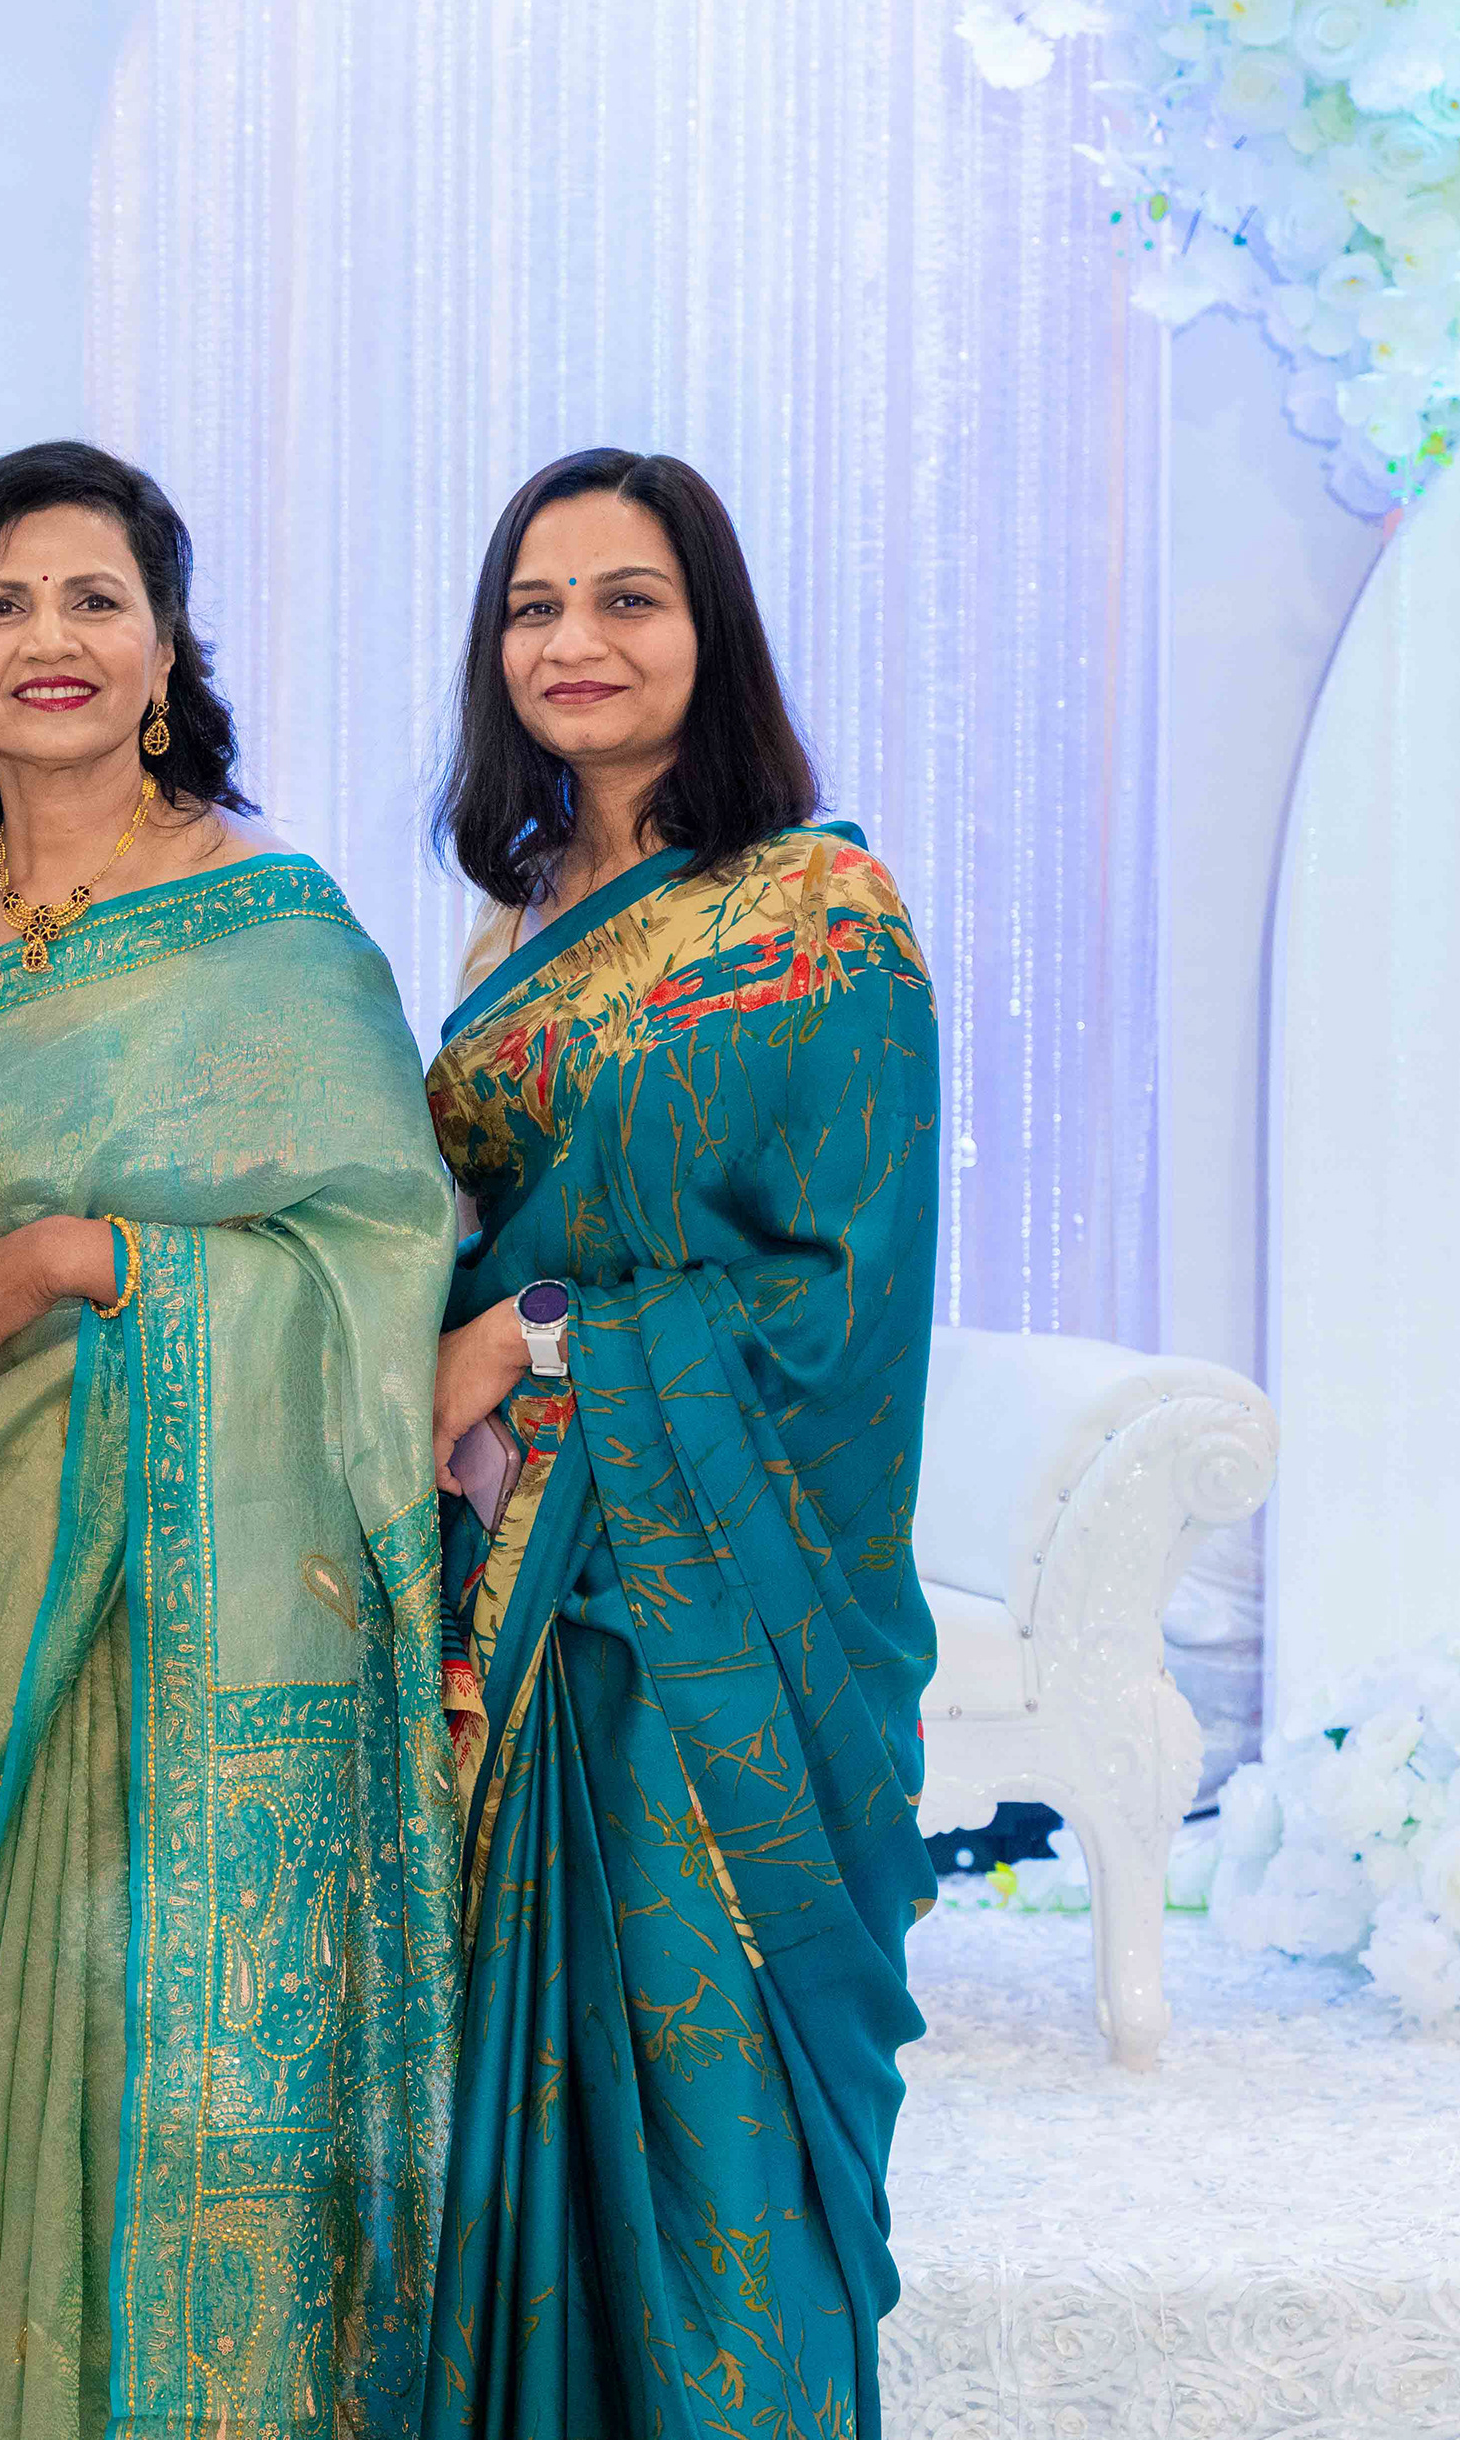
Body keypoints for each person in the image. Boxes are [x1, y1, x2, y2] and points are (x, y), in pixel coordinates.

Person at [0, 438, 459, 2440]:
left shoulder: (274, 926)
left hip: (225, 1639)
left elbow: (381, 1250)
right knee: (17, 2106)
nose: (53, 637)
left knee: (209, 2099)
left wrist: (93, 1255)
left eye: (95, 599)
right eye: (4, 603)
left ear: (166, 652)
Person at [416, 448, 941, 2440]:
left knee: (717, 2134)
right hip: (520, 1601)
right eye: (534, 607)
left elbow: (838, 1301)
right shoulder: (507, 924)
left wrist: (535, 1341)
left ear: (709, 628)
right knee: (527, 2130)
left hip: (718, 1624)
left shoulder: (821, 915)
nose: (576, 640)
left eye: (627, 598)